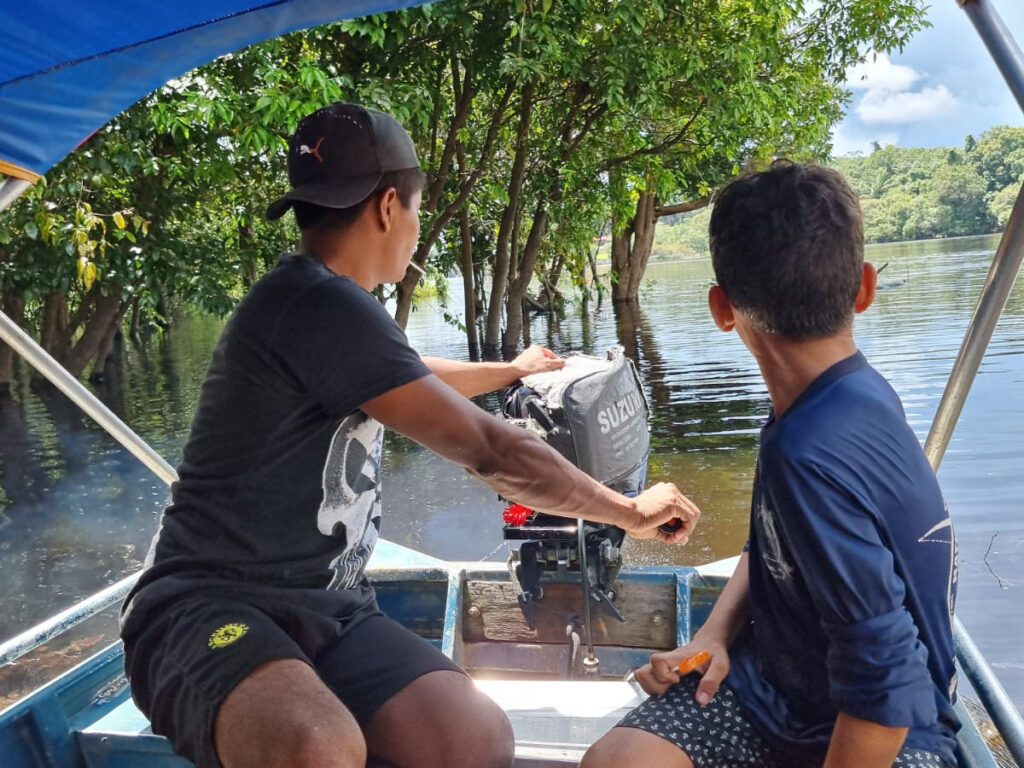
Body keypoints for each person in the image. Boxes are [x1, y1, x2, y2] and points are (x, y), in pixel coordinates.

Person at [119, 102, 700, 768]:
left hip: (330, 607)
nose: (418, 227)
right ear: (389, 205)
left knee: (473, 738)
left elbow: (416, 374)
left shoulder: (326, 303)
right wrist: (627, 511)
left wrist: (510, 370)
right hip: (205, 608)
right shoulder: (317, 302)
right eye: (419, 210)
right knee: (317, 745)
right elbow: (494, 451)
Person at [582, 162, 960, 768]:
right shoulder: (827, 400)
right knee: (618, 761)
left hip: (894, 735)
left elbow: (890, 689)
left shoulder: (813, 449)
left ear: (722, 310)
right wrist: (714, 635)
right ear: (864, 288)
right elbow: (772, 548)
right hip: (770, 689)